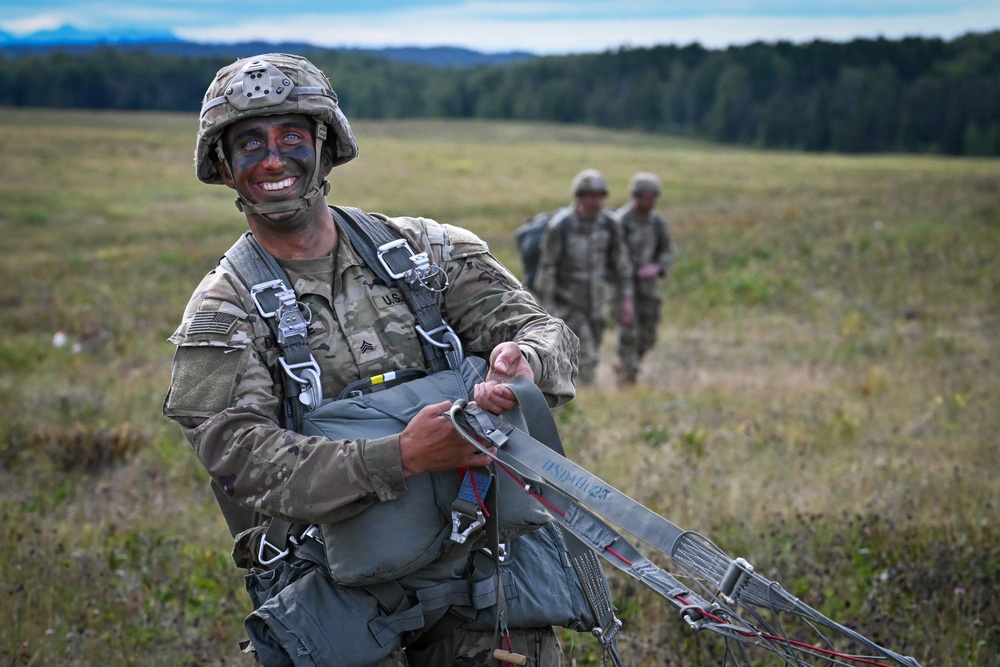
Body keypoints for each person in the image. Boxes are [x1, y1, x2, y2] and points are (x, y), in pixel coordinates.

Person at [162, 53, 580, 667]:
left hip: (482, 568)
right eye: (249, 144)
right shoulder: (220, 312)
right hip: (335, 590)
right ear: (224, 168)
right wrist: (401, 456)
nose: (273, 159)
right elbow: (239, 457)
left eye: (291, 138)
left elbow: (543, 333)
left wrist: (521, 368)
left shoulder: (428, 251)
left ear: (326, 148)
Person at [533, 169, 634, 385]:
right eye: (590, 195)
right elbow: (547, 268)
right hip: (568, 304)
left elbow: (621, 264)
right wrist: (547, 309)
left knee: (590, 352)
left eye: (599, 195)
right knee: (585, 359)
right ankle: (581, 400)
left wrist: (626, 298)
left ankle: (570, 394)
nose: (595, 201)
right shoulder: (561, 227)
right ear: (579, 196)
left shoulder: (609, 225)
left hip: (596, 304)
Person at [615, 172, 674, 385]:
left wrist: (657, 267)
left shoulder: (657, 223)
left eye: (653, 197)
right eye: (645, 197)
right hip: (623, 287)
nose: (649, 202)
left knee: (648, 335)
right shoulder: (620, 222)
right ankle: (628, 378)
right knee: (629, 333)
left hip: (648, 288)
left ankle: (628, 365)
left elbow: (667, 250)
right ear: (636, 196)